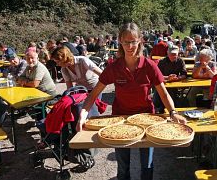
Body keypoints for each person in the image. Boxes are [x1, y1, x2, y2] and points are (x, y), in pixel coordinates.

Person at [76, 23, 186, 180]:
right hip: (119, 121)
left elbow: (163, 93)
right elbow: (93, 94)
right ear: (120, 41)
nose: (130, 46)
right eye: (126, 42)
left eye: (133, 41)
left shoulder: (149, 65)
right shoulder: (114, 67)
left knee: (147, 166)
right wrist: (83, 115)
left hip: (148, 120)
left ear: (140, 41)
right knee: (123, 166)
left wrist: (173, 112)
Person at [153, 45, 187, 113]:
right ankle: (159, 109)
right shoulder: (162, 61)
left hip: (174, 84)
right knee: (157, 97)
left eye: (175, 54)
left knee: (173, 94)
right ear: (168, 54)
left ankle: (172, 110)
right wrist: (168, 78)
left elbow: (184, 74)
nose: (173, 56)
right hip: (163, 83)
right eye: (172, 54)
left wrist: (177, 78)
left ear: (178, 54)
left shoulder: (180, 61)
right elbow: (157, 76)